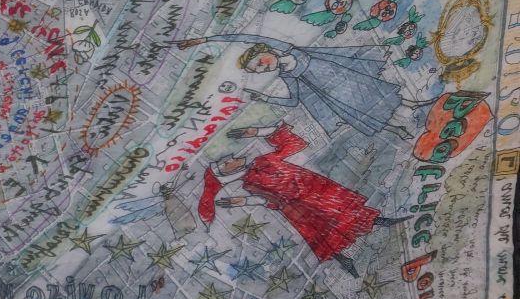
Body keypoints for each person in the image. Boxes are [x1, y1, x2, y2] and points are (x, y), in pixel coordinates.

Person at [198, 123, 406, 276]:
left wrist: (260, 131)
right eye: (228, 163)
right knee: (318, 231)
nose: (233, 158)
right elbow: (268, 199)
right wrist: (245, 202)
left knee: (342, 209)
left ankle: (381, 221)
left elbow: (294, 144)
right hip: (297, 205)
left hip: (315, 188)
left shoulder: (261, 160)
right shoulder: (250, 182)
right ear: (227, 172)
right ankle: (344, 260)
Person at [175, 32, 418, 139]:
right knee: (361, 114)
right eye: (258, 70)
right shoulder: (286, 75)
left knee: (374, 90)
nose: (262, 68)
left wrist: (205, 39)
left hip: (341, 75)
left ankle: (413, 103)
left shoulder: (286, 49)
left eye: (258, 63)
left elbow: (248, 37)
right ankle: (397, 129)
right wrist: (264, 98)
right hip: (333, 95)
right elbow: (293, 101)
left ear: (264, 50)